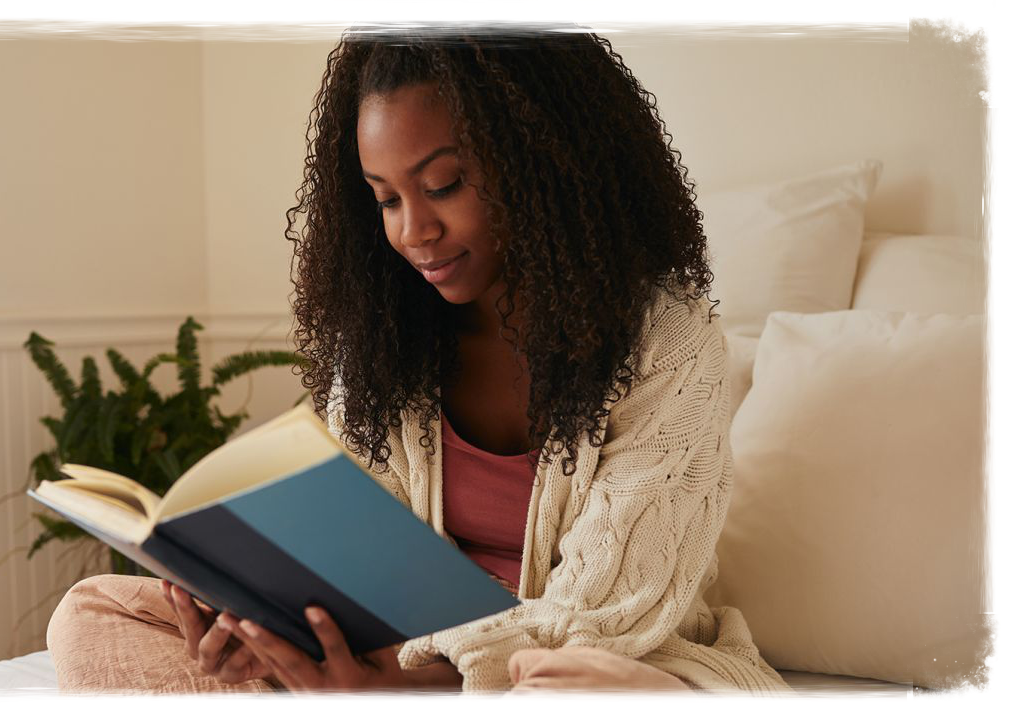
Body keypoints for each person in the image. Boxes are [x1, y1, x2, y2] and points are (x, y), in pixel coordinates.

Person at [45, 24, 792, 696]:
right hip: (390, 660)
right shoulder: (386, 342)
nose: (414, 231)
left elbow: (606, 614)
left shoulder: (666, 339)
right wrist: (264, 626)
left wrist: (409, 680)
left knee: (564, 688)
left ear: (543, 166)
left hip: (585, 659)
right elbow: (348, 563)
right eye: (385, 199)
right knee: (93, 612)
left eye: (442, 185)